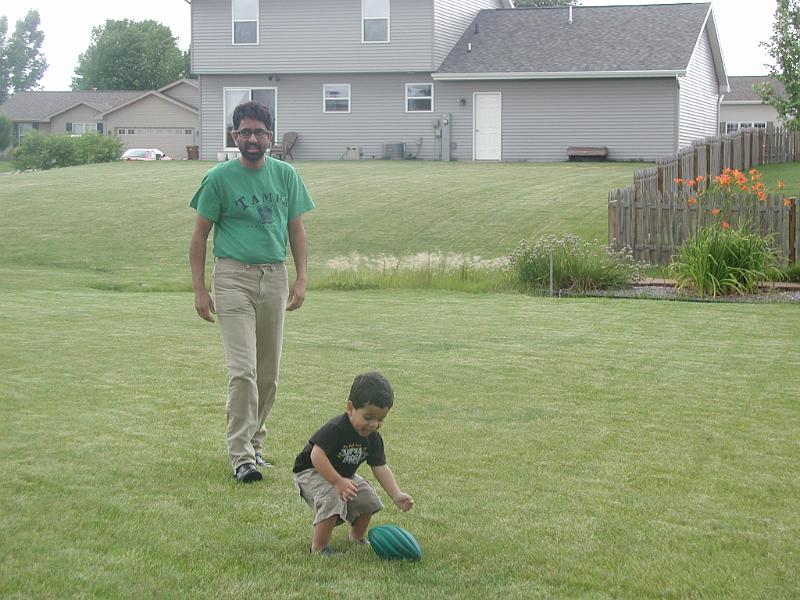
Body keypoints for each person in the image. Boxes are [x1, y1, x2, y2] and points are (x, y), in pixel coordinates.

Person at [189, 101, 315, 483]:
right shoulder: (218, 178)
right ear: (234, 137)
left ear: (270, 137)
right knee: (242, 370)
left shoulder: (286, 175)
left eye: (260, 132)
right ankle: (241, 456)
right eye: (245, 132)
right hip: (232, 278)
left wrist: (302, 277)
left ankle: (256, 445)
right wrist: (199, 288)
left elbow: (296, 230)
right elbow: (199, 236)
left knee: (268, 372)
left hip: (273, 277)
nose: (253, 138)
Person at [292, 372, 414, 554]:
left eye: (380, 419)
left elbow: (380, 467)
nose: (374, 424)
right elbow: (316, 455)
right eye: (368, 417)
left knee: (368, 499)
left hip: (342, 475)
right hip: (312, 471)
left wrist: (396, 494)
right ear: (350, 408)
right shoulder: (337, 428)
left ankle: (355, 538)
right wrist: (337, 481)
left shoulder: (373, 438)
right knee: (332, 498)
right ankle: (319, 547)